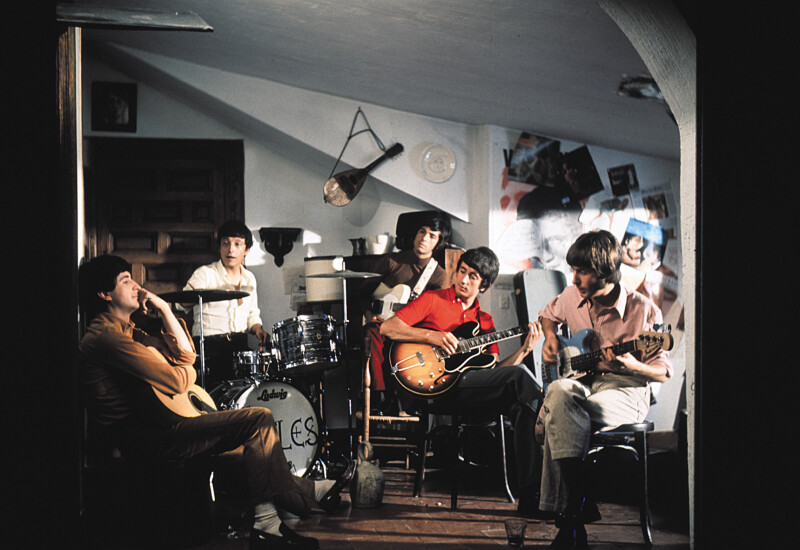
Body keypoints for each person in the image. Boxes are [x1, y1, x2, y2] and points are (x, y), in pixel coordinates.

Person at [78, 255, 354, 550]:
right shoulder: (107, 338)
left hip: (156, 425)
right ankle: (269, 525)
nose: (137, 286)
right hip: (143, 438)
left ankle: (310, 494)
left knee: (250, 451)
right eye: (125, 280)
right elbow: (179, 379)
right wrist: (186, 372)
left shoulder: (130, 331)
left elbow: (186, 356)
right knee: (258, 418)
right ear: (104, 294)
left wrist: (164, 309)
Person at [380, 246, 545, 514]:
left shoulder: (485, 321)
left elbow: (497, 371)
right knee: (524, 385)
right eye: (462, 271)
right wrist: (432, 336)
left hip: (471, 389)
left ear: (485, 285)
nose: (463, 280)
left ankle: (530, 495)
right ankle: (544, 482)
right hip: (436, 386)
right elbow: (388, 327)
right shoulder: (433, 299)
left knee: (521, 405)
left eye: (473, 276)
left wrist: (525, 350)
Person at [536, 230, 673, 549]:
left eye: (583, 271)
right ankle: (577, 507)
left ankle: (569, 519)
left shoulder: (645, 310)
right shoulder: (571, 295)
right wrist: (551, 338)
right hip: (584, 384)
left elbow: (663, 372)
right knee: (559, 393)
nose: (575, 278)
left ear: (607, 272)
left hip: (627, 390)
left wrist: (632, 366)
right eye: (573, 270)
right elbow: (547, 315)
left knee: (557, 414)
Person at [356, 211, 452, 412]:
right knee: (373, 331)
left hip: (412, 331)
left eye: (432, 236)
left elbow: (435, 316)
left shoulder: (439, 276)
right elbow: (362, 294)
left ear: (438, 242)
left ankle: (408, 401)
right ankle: (381, 397)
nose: (424, 238)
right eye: (422, 231)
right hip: (381, 324)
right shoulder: (392, 261)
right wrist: (369, 315)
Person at [179, 220, 269, 388]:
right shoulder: (205, 274)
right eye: (225, 243)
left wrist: (258, 329)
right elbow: (181, 304)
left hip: (239, 346)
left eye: (237, 244)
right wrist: (197, 293)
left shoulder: (250, 278)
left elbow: (252, 314)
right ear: (219, 247)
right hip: (209, 347)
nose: (230, 249)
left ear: (246, 250)